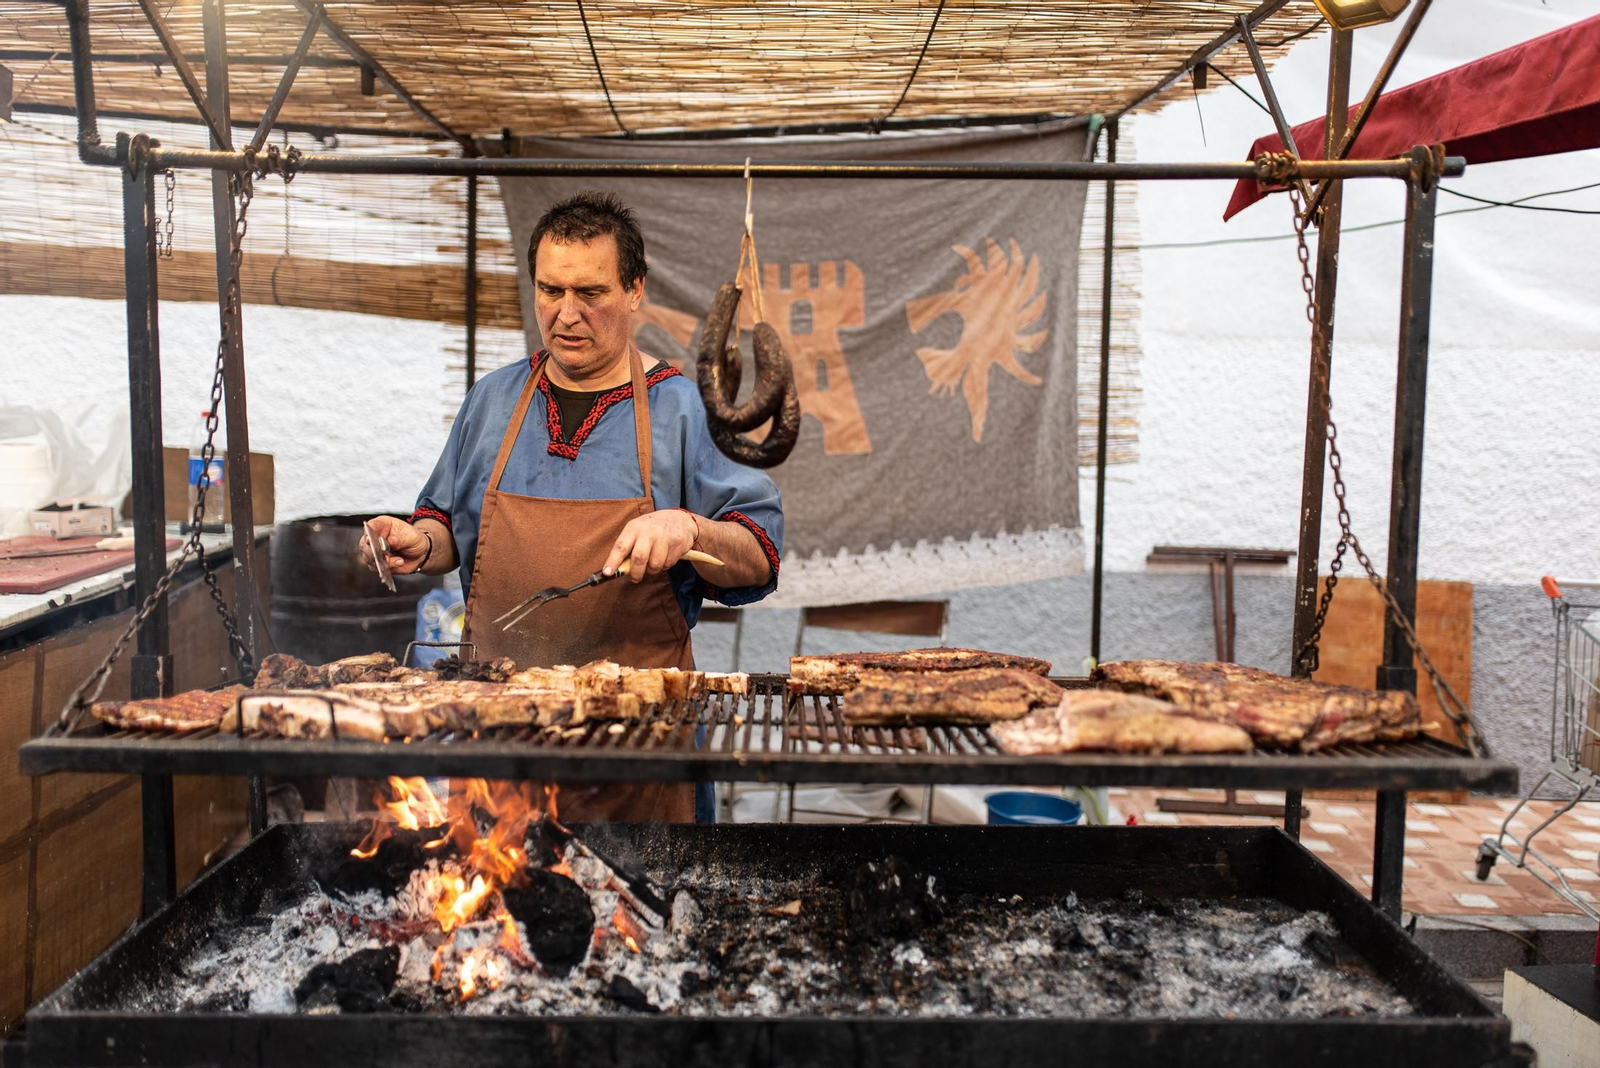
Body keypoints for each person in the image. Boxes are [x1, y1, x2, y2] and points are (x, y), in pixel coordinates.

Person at [361, 191, 783, 824]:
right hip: (502, 745)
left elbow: (761, 554)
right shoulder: (492, 400)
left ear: (635, 290)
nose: (566, 314)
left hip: (639, 751)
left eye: (591, 293)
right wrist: (419, 541)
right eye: (550, 291)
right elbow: (446, 523)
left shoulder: (683, 409)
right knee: (490, 914)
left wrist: (688, 528)